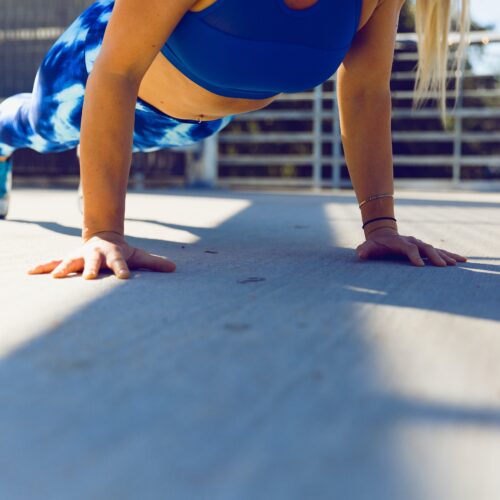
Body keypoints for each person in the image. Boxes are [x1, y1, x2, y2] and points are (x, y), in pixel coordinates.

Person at [0, 0, 469, 280]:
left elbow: (366, 93)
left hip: (192, 125)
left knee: (121, 147)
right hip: (95, 72)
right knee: (39, 127)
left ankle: (96, 158)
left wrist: (381, 225)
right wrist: (102, 233)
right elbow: (118, 72)